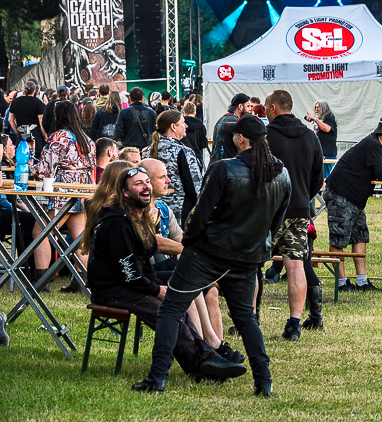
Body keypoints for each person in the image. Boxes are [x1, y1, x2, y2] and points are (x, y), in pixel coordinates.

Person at [135, 114, 290, 396]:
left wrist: (190, 242)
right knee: (246, 319)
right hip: (247, 257)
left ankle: (157, 378)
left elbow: (200, 214)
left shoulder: (224, 168)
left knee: (171, 309)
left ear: (240, 138)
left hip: (209, 253)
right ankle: (263, 381)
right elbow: (275, 222)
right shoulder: (281, 174)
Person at [82, 166, 245, 389]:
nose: (146, 187)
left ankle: (208, 358)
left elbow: (144, 264)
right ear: (125, 193)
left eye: (147, 182)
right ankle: (203, 364)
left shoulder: (137, 217)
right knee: (165, 314)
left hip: (130, 286)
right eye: (138, 184)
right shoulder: (117, 223)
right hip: (113, 291)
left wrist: (157, 285)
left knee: (175, 308)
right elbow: (128, 273)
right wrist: (156, 289)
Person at [323, 117, 382, 291]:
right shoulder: (373, 144)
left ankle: (362, 282)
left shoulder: (380, 147)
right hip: (341, 194)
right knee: (339, 239)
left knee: (360, 236)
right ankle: (342, 282)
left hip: (355, 199)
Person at [265, 90, 325, 339]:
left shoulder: (265, 136)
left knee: (252, 265)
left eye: (266, 107)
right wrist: (301, 196)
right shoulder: (310, 136)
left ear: (273, 108)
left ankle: (250, 320)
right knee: (296, 265)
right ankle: (294, 324)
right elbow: (318, 178)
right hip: (300, 209)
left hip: (269, 210)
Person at [34, 100, 96, 293]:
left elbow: (45, 169)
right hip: (82, 190)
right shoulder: (87, 139)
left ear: (58, 117)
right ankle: (80, 281)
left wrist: (31, 169)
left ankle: (42, 281)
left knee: (41, 232)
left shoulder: (58, 137)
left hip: (61, 191)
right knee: (79, 237)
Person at [145, 110, 203, 220]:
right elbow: (195, 187)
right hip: (179, 210)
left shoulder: (148, 150)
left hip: (153, 208)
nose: (186, 126)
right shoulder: (183, 151)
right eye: (183, 122)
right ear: (173, 127)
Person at [8, 81, 46, 158]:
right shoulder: (38, 103)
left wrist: (17, 131)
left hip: (21, 136)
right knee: (35, 160)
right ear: (34, 91)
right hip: (35, 137)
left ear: (24, 90)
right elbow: (41, 121)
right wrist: (45, 136)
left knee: (21, 157)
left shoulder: (15, 102)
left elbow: (10, 119)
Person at [210, 93, 251, 163]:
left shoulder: (221, 119)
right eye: (248, 106)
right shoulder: (236, 123)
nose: (250, 109)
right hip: (227, 166)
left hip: (215, 164)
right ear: (240, 106)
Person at [306, 100, 338, 180]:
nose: (316, 109)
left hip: (328, 153)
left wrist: (315, 120)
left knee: (326, 177)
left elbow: (327, 129)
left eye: (318, 107)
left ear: (323, 108)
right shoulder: (320, 119)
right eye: (315, 107)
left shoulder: (330, 117)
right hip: (320, 153)